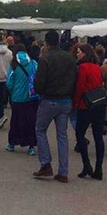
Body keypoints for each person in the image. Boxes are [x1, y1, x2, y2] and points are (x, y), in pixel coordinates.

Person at [32, 30, 77, 183]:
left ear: (46, 42)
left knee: (40, 130)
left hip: (50, 99)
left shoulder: (45, 59)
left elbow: (39, 82)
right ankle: (63, 171)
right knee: (62, 136)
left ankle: (46, 164)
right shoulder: (69, 58)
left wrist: (40, 92)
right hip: (66, 100)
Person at [72, 43, 105, 180]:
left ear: (84, 53)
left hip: (86, 105)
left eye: (79, 52)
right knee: (98, 137)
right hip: (99, 103)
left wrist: (75, 103)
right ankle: (99, 168)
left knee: (80, 134)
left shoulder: (82, 67)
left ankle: (87, 165)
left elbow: (80, 87)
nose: (77, 54)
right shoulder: (97, 67)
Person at [5, 44, 39, 155]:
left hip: (17, 98)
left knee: (16, 122)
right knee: (30, 122)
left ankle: (12, 144)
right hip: (32, 97)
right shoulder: (33, 63)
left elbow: (9, 82)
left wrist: (13, 92)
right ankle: (31, 146)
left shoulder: (14, 64)